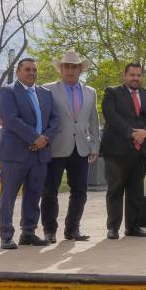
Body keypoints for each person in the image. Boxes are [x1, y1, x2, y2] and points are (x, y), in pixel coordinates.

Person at [0, 58, 59, 249]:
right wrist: (34, 138)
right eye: (27, 69)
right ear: (18, 71)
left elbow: (55, 120)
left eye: (34, 70)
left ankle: (28, 232)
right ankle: (6, 235)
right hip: (15, 153)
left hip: (40, 154)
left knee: (34, 194)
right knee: (8, 196)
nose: (31, 73)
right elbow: (10, 119)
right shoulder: (8, 91)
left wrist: (44, 139)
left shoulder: (45, 94)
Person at [42, 51, 99, 243]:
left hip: (81, 148)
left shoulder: (91, 92)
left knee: (80, 192)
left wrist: (94, 145)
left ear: (80, 69)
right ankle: (49, 231)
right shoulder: (47, 90)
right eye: (66, 66)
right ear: (61, 69)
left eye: (74, 67)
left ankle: (72, 229)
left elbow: (93, 121)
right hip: (55, 147)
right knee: (50, 190)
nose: (70, 70)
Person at [101, 62, 146, 239]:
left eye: (138, 75)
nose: (135, 78)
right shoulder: (112, 93)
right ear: (124, 76)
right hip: (116, 151)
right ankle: (113, 228)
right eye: (132, 75)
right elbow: (111, 116)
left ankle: (133, 227)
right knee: (115, 189)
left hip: (140, 151)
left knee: (136, 190)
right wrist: (132, 133)